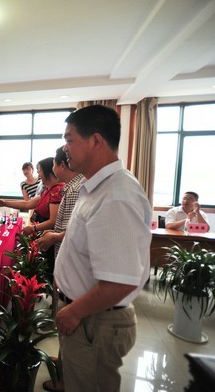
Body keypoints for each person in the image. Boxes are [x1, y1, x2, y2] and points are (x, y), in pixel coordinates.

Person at [54, 105, 152, 392]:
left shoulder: (116, 196)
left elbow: (121, 281)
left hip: (93, 321)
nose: (65, 148)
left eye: (70, 139)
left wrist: (74, 312)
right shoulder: (96, 186)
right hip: (87, 317)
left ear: (95, 141)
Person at [34, 147, 82, 392]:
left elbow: (74, 230)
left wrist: (54, 236)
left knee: (69, 318)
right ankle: (63, 360)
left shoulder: (74, 189)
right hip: (65, 256)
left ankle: (65, 377)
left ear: (62, 165)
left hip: (70, 259)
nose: (52, 169)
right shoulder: (72, 187)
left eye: (54, 164)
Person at [0, 157, 63, 237]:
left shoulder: (56, 191)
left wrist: (34, 228)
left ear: (47, 172)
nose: (39, 175)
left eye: (39, 171)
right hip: (43, 231)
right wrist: (4, 203)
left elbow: (53, 221)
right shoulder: (48, 190)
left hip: (50, 235)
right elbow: (27, 204)